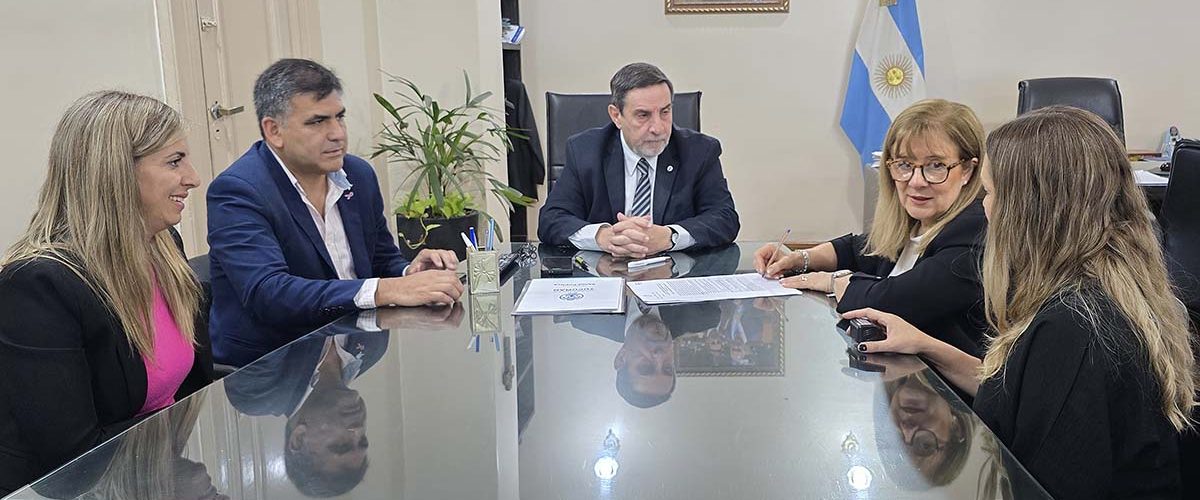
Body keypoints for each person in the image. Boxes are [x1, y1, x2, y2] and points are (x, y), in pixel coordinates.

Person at [845, 106, 1196, 498]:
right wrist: (925, 345)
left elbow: (1038, 484)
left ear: (1028, 210)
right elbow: (1016, 395)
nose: (983, 207)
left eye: (990, 192)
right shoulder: (1100, 292)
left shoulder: (1072, 329)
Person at [0, 91, 214, 494]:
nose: (193, 178)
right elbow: (72, 459)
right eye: (174, 161)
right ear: (116, 173)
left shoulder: (165, 247)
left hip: (156, 475)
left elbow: (191, 393)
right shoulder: (38, 285)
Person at [207, 58, 463, 367]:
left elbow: (380, 260)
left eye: (339, 117)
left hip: (351, 350)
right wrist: (388, 289)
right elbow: (269, 293)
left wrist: (409, 273)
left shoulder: (358, 174)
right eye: (317, 122)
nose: (337, 133)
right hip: (272, 369)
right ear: (273, 131)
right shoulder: (238, 191)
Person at [755, 99, 988, 357]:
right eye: (905, 164)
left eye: (936, 166)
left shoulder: (974, 230)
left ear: (967, 170)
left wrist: (828, 281)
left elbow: (892, 301)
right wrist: (800, 258)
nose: (916, 181)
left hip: (942, 380)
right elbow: (857, 249)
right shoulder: (915, 223)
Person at [537, 62, 739, 257]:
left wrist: (670, 236)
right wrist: (602, 237)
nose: (657, 128)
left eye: (665, 112)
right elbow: (551, 219)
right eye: (643, 115)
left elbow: (725, 218)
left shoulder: (700, 151)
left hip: (676, 273)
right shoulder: (585, 150)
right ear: (616, 116)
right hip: (603, 272)